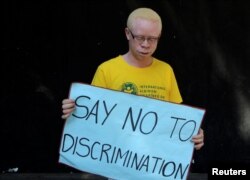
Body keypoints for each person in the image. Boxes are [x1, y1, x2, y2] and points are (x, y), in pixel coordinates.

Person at [62, 7, 204, 150]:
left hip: (154, 159)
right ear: (128, 34)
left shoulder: (166, 70)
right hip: (116, 157)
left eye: (153, 39)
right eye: (140, 37)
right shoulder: (107, 70)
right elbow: (92, 118)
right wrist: (76, 112)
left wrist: (191, 134)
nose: (146, 44)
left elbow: (175, 119)